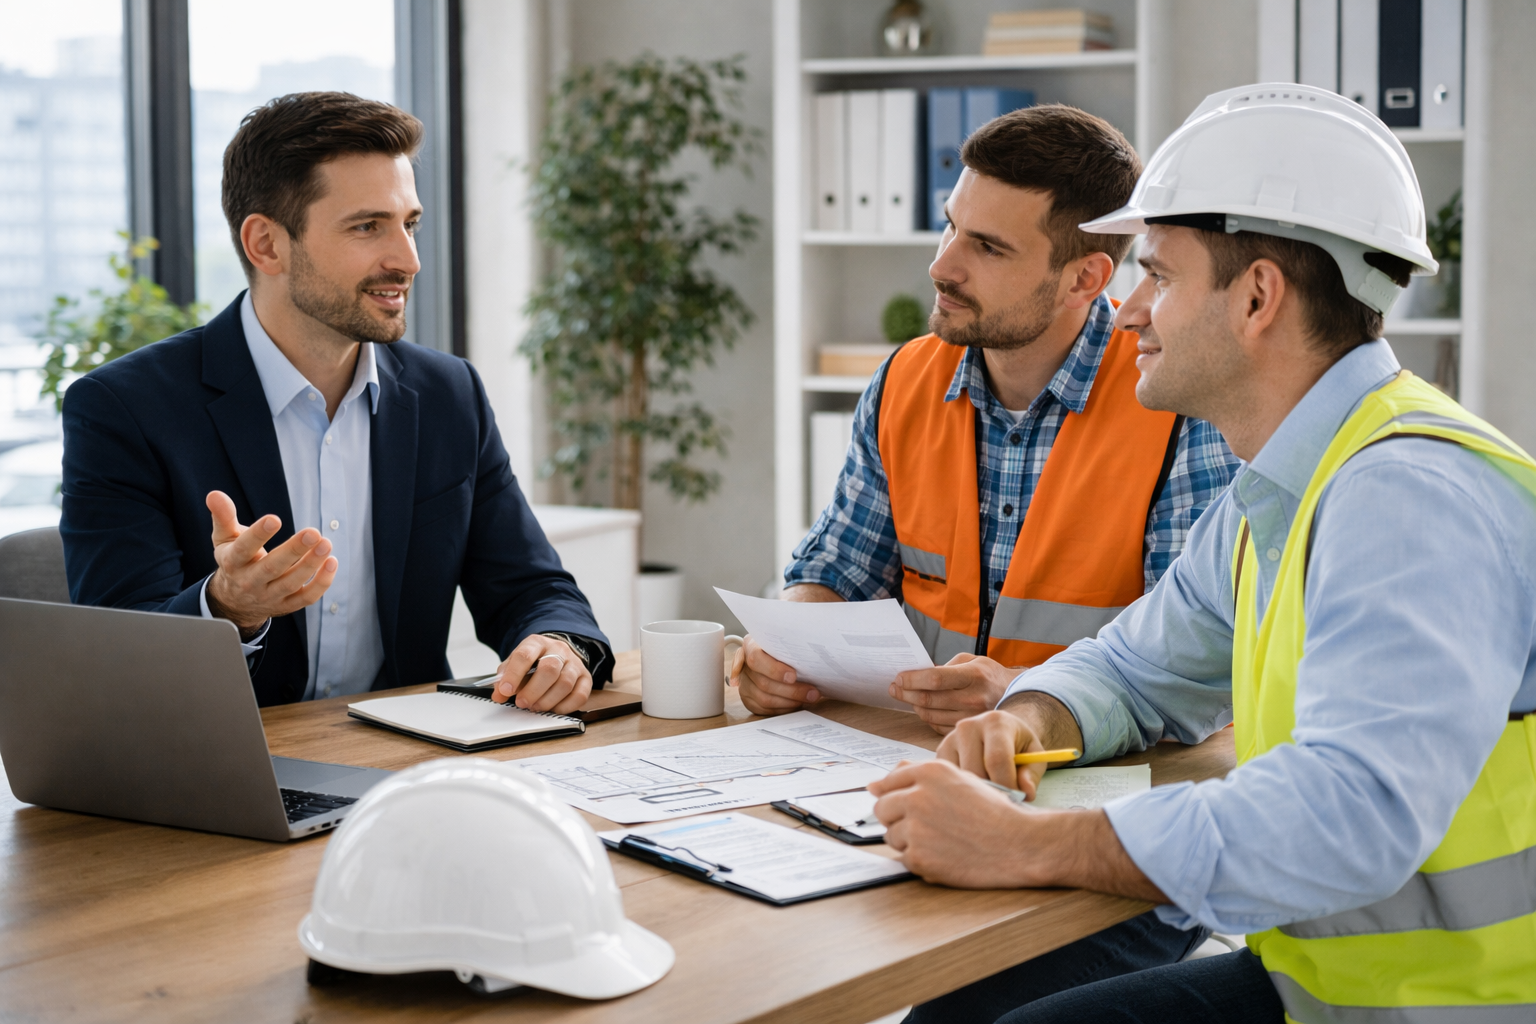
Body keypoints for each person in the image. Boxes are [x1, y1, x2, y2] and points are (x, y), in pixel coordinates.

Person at [870, 84, 1536, 1023]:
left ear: (1258, 296)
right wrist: (1027, 718)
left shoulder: (1407, 497)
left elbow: (1349, 816)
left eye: (1158, 274)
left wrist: (1029, 846)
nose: (1130, 310)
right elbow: (1140, 668)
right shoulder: (1285, 482)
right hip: (1332, 985)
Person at [60, 92, 609, 711]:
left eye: (410, 223)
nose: (408, 259)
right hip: (227, 775)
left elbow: (532, 585)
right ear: (266, 244)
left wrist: (557, 643)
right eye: (367, 226)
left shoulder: (449, 394)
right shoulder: (123, 408)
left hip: (408, 768)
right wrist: (227, 607)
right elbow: (121, 654)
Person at [734, 104, 1237, 732]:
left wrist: (1024, 695)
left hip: (1078, 776)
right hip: (901, 759)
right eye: (951, 228)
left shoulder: (1177, 406)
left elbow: (1193, 665)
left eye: (989, 248)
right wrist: (784, 646)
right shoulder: (906, 379)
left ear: (1084, 278)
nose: (942, 266)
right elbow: (839, 570)